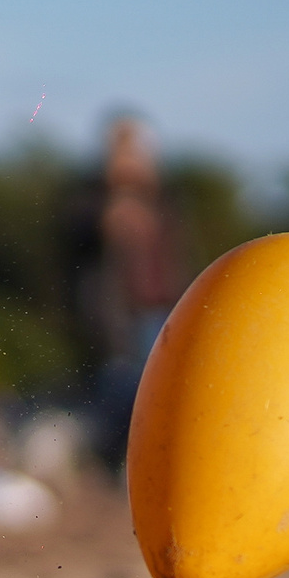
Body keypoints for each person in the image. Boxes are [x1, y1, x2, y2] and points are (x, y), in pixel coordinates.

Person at [68, 114, 187, 474]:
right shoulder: (90, 199)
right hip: (117, 315)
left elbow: (180, 253)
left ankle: (151, 462)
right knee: (121, 387)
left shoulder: (165, 198)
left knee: (159, 389)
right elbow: (76, 244)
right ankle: (119, 463)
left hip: (164, 307)